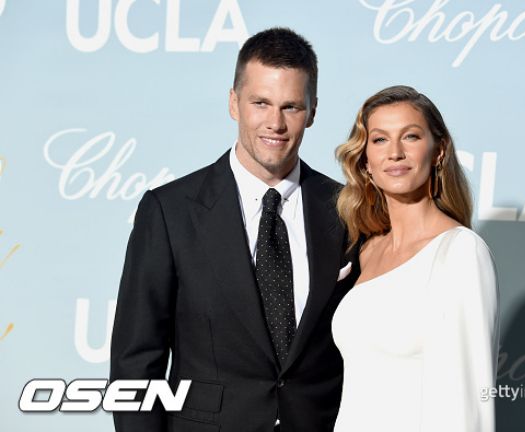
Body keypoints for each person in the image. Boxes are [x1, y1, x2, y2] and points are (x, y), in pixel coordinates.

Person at [110, 28, 359, 432]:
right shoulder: (170, 212)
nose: (275, 123)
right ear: (233, 103)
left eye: (291, 107)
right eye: (260, 103)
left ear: (312, 112)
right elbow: (136, 363)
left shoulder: (348, 210)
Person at [332, 85, 499, 431]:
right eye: (380, 140)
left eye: (410, 136)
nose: (395, 153)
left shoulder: (460, 252)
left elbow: (467, 406)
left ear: (439, 151)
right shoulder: (365, 251)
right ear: (365, 161)